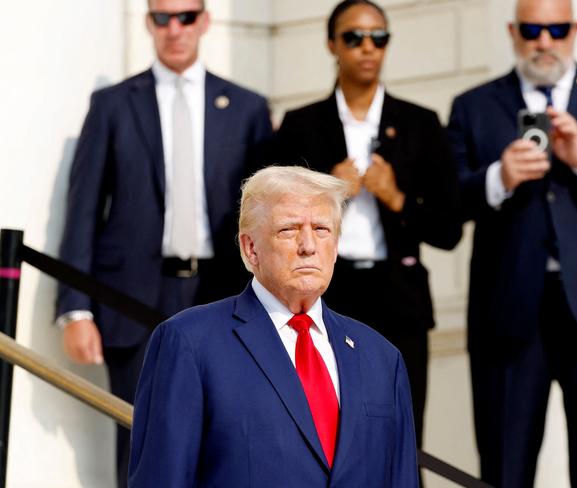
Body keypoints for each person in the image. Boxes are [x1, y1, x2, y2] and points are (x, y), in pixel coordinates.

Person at [55, 0, 272, 486]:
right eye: (162, 17)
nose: (175, 29)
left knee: (229, 438)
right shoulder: (112, 104)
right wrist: (76, 309)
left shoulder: (247, 107)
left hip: (222, 293)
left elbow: (264, 212)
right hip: (129, 298)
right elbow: (84, 207)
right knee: (139, 440)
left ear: (206, 21)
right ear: (149, 22)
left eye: (187, 16)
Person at [447, 0, 577, 486]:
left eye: (556, 28)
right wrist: (499, 177)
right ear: (513, 32)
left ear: (575, 30)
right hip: (508, 314)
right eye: (533, 29)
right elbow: (446, 200)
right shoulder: (473, 104)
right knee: (504, 469)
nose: (544, 41)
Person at [127, 166, 419, 487]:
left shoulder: (381, 358)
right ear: (251, 248)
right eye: (289, 230)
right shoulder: (189, 343)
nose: (308, 245)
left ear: (335, 247)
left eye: (321, 229)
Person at [272, 0, 462, 451]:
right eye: (354, 37)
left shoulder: (420, 123)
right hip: (322, 297)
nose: (367, 47)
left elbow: (449, 228)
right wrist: (327, 191)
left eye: (378, 37)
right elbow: (273, 215)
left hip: (399, 297)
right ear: (332, 44)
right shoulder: (300, 127)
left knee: (401, 437)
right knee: (321, 435)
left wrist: (396, 197)